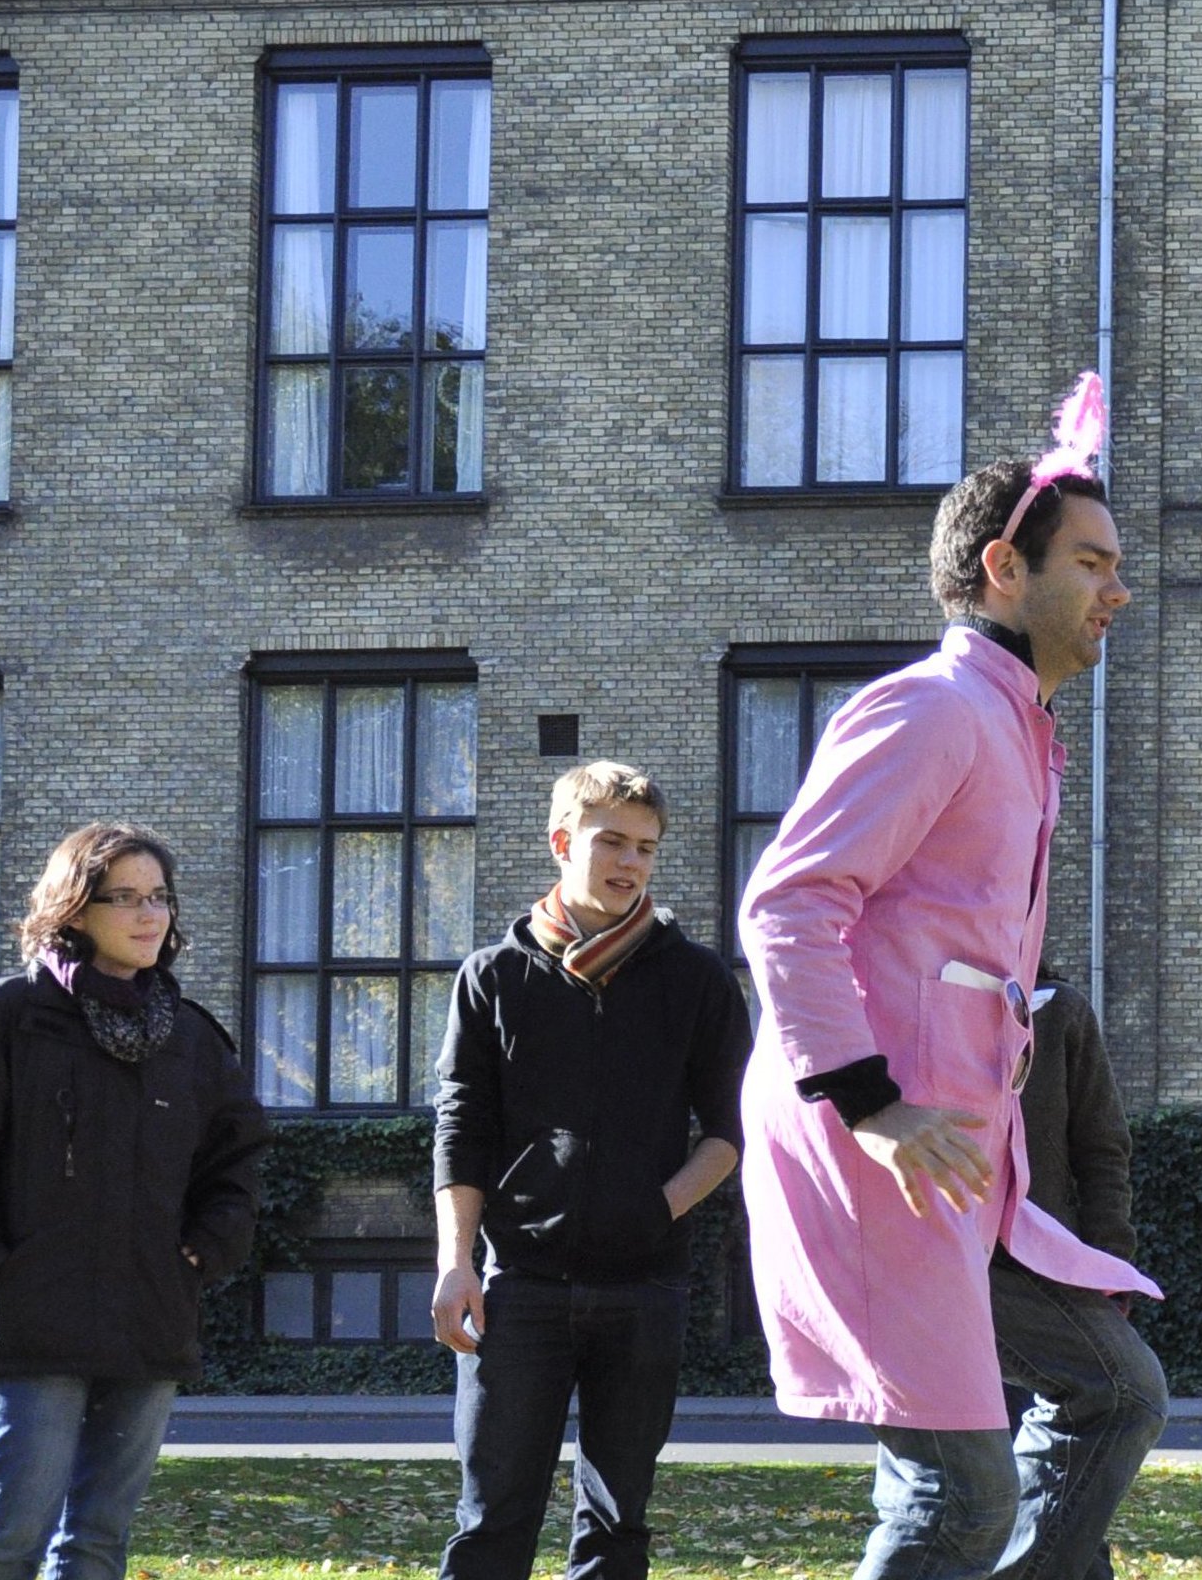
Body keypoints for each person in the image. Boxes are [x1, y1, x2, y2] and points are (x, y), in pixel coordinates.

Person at [737, 392, 1162, 1580]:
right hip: (873, 1150)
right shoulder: (929, 708)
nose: (1116, 591)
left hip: (962, 1165)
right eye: (1091, 562)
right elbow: (786, 905)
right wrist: (872, 1106)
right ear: (1001, 569)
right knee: (957, 1498)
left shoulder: (1018, 731)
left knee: (1113, 1390)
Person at [0, 821, 270, 1580]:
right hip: (33, 1318)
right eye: (125, 898)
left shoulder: (192, 1038)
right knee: (10, 1534)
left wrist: (210, 1245)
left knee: (99, 1541)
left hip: (150, 1315)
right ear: (73, 908)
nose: (150, 916)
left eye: (160, 898)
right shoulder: (2, 1019)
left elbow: (238, 1159)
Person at [429, 761, 753, 1580]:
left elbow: (733, 1129)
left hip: (645, 1288)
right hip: (517, 1286)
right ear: (562, 841)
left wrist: (657, 1210)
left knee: (617, 1527)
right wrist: (454, 1263)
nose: (629, 863)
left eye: (645, 848)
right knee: (491, 1521)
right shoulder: (493, 976)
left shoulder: (697, 979)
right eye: (611, 841)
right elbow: (461, 1130)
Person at [998, 969, 1169, 1580]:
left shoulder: (1058, 1009)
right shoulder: (917, 985)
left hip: (1052, 1272)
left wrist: (1110, 1265)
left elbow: (1102, 1148)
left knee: (1078, 1472)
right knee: (966, 1481)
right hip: (950, 1276)